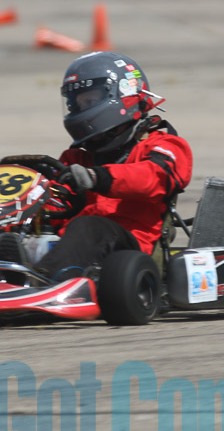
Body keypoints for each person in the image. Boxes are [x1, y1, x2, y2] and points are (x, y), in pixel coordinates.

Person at [35, 51, 193, 282]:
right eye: (76, 104)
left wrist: (97, 177)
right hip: (75, 248)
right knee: (15, 227)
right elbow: (58, 205)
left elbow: (155, 177)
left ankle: (42, 283)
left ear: (123, 95)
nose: (80, 110)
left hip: (130, 255)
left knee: (90, 226)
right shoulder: (76, 158)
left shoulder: (164, 145)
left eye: (89, 102)